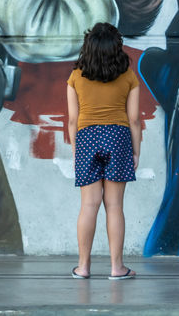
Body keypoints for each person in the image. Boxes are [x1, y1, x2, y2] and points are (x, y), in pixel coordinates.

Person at [66, 22, 141, 279]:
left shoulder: (75, 77)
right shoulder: (129, 77)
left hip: (87, 138)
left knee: (89, 204)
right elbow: (134, 121)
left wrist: (77, 152)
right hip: (118, 137)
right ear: (116, 48)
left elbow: (72, 121)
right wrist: (135, 152)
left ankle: (83, 267)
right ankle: (117, 268)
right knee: (115, 206)